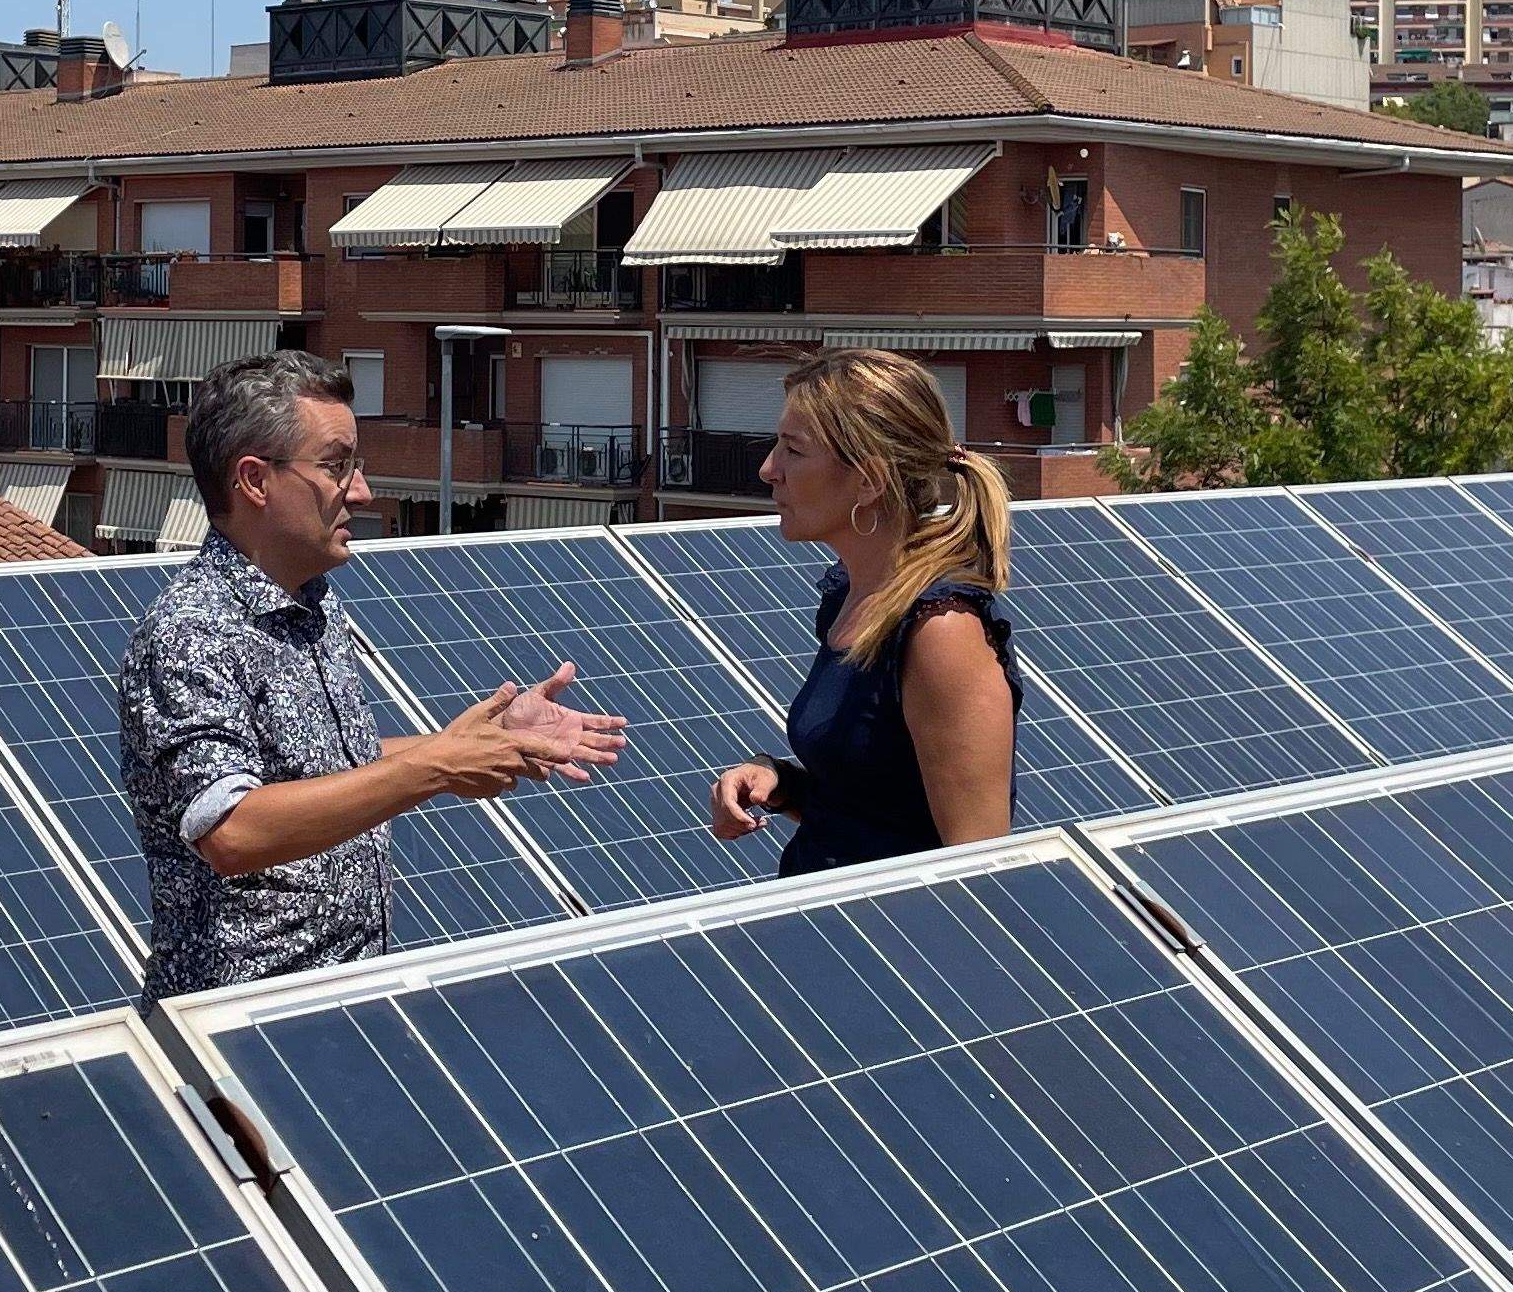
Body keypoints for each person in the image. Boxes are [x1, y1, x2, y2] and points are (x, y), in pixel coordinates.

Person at [121, 351, 627, 998]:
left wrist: (479, 738)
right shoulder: (193, 632)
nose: (360, 490)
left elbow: (328, 768)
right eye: (336, 465)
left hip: (340, 1005)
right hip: (245, 1025)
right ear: (254, 480)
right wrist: (435, 769)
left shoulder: (314, 600)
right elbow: (230, 828)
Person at [706, 348, 1019, 874]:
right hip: (825, 927)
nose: (769, 470)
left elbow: (976, 868)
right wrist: (780, 783)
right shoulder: (850, 600)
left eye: (793, 451)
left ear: (868, 481)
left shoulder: (940, 633)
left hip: (891, 944)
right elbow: (872, 812)